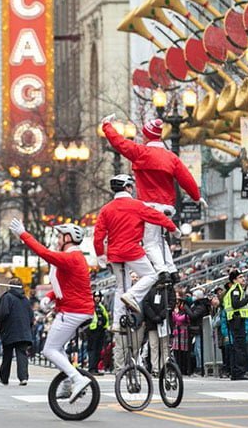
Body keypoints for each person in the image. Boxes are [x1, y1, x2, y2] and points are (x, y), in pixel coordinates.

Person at [101, 116, 205, 281]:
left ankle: (162, 270)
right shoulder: (171, 157)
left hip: (149, 206)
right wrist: (197, 197)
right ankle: (172, 270)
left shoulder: (141, 152)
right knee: (160, 240)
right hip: (168, 207)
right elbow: (186, 178)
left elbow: (118, 142)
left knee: (149, 243)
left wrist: (107, 125)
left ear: (147, 136)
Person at [10, 218, 94, 403]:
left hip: (73, 311)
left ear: (68, 238)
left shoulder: (71, 257)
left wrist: (24, 235)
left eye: (59, 236)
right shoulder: (74, 257)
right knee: (59, 348)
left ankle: (77, 379)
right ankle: (66, 383)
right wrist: (49, 297)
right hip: (75, 309)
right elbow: (69, 287)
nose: (57, 240)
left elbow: (43, 252)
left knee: (49, 350)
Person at [93, 174, 177, 331]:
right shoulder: (137, 205)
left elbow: (98, 234)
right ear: (128, 188)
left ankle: (117, 322)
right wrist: (173, 228)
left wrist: (100, 254)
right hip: (132, 250)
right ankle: (133, 295)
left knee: (120, 287)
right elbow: (156, 216)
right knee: (151, 275)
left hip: (114, 253)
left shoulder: (106, 209)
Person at [0, 277, 33, 386]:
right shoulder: (25, 299)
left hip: (9, 330)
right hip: (23, 331)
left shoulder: (7, 297)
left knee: (7, 354)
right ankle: (23, 377)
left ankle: (4, 378)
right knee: (22, 354)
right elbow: (31, 315)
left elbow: (3, 313)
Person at [224, 269, 248, 380]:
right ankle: (239, 372)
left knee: (238, 346)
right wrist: (247, 298)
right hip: (237, 319)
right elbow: (236, 304)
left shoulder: (236, 288)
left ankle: (236, 372)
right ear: (235, 280)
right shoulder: (236, 289)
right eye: (240, 277)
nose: (243, 279)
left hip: (235, 319)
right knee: (239, 346)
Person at [86, 291, 109, 375]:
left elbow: (105, 317)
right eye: (95, 296)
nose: (97, 298)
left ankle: (95, 368)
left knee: (98, 350)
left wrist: (105, 327)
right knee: (92, 349)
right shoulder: (90, 306)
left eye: (98, 296)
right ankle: (91, 368)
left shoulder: (101, 307)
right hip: (92, 332)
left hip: (100, 331)